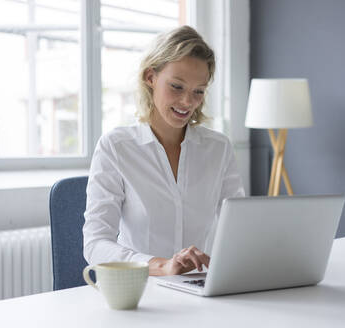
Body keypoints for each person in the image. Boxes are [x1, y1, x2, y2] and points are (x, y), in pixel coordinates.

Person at [83, 25, 244, 276]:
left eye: (198, 91)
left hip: (199, 287)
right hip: (140, 289)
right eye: (177, 86)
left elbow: (238, 230)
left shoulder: (218, 148)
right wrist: (162, 265)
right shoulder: (116, 147)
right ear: (151, 77)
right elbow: (95, 244)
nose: (187, 102)